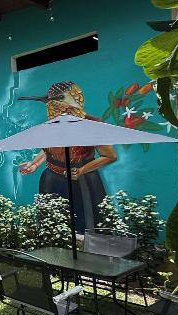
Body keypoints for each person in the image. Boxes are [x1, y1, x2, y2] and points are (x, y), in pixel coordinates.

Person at [17, 81, 116, 233]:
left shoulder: (92, 124)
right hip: (51, 180)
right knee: (52, 228)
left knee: (86, 228)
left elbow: (109, 156)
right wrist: (35, 164)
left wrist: (82, 170)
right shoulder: (52, 126)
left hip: (82, 181)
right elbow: (49, 148)